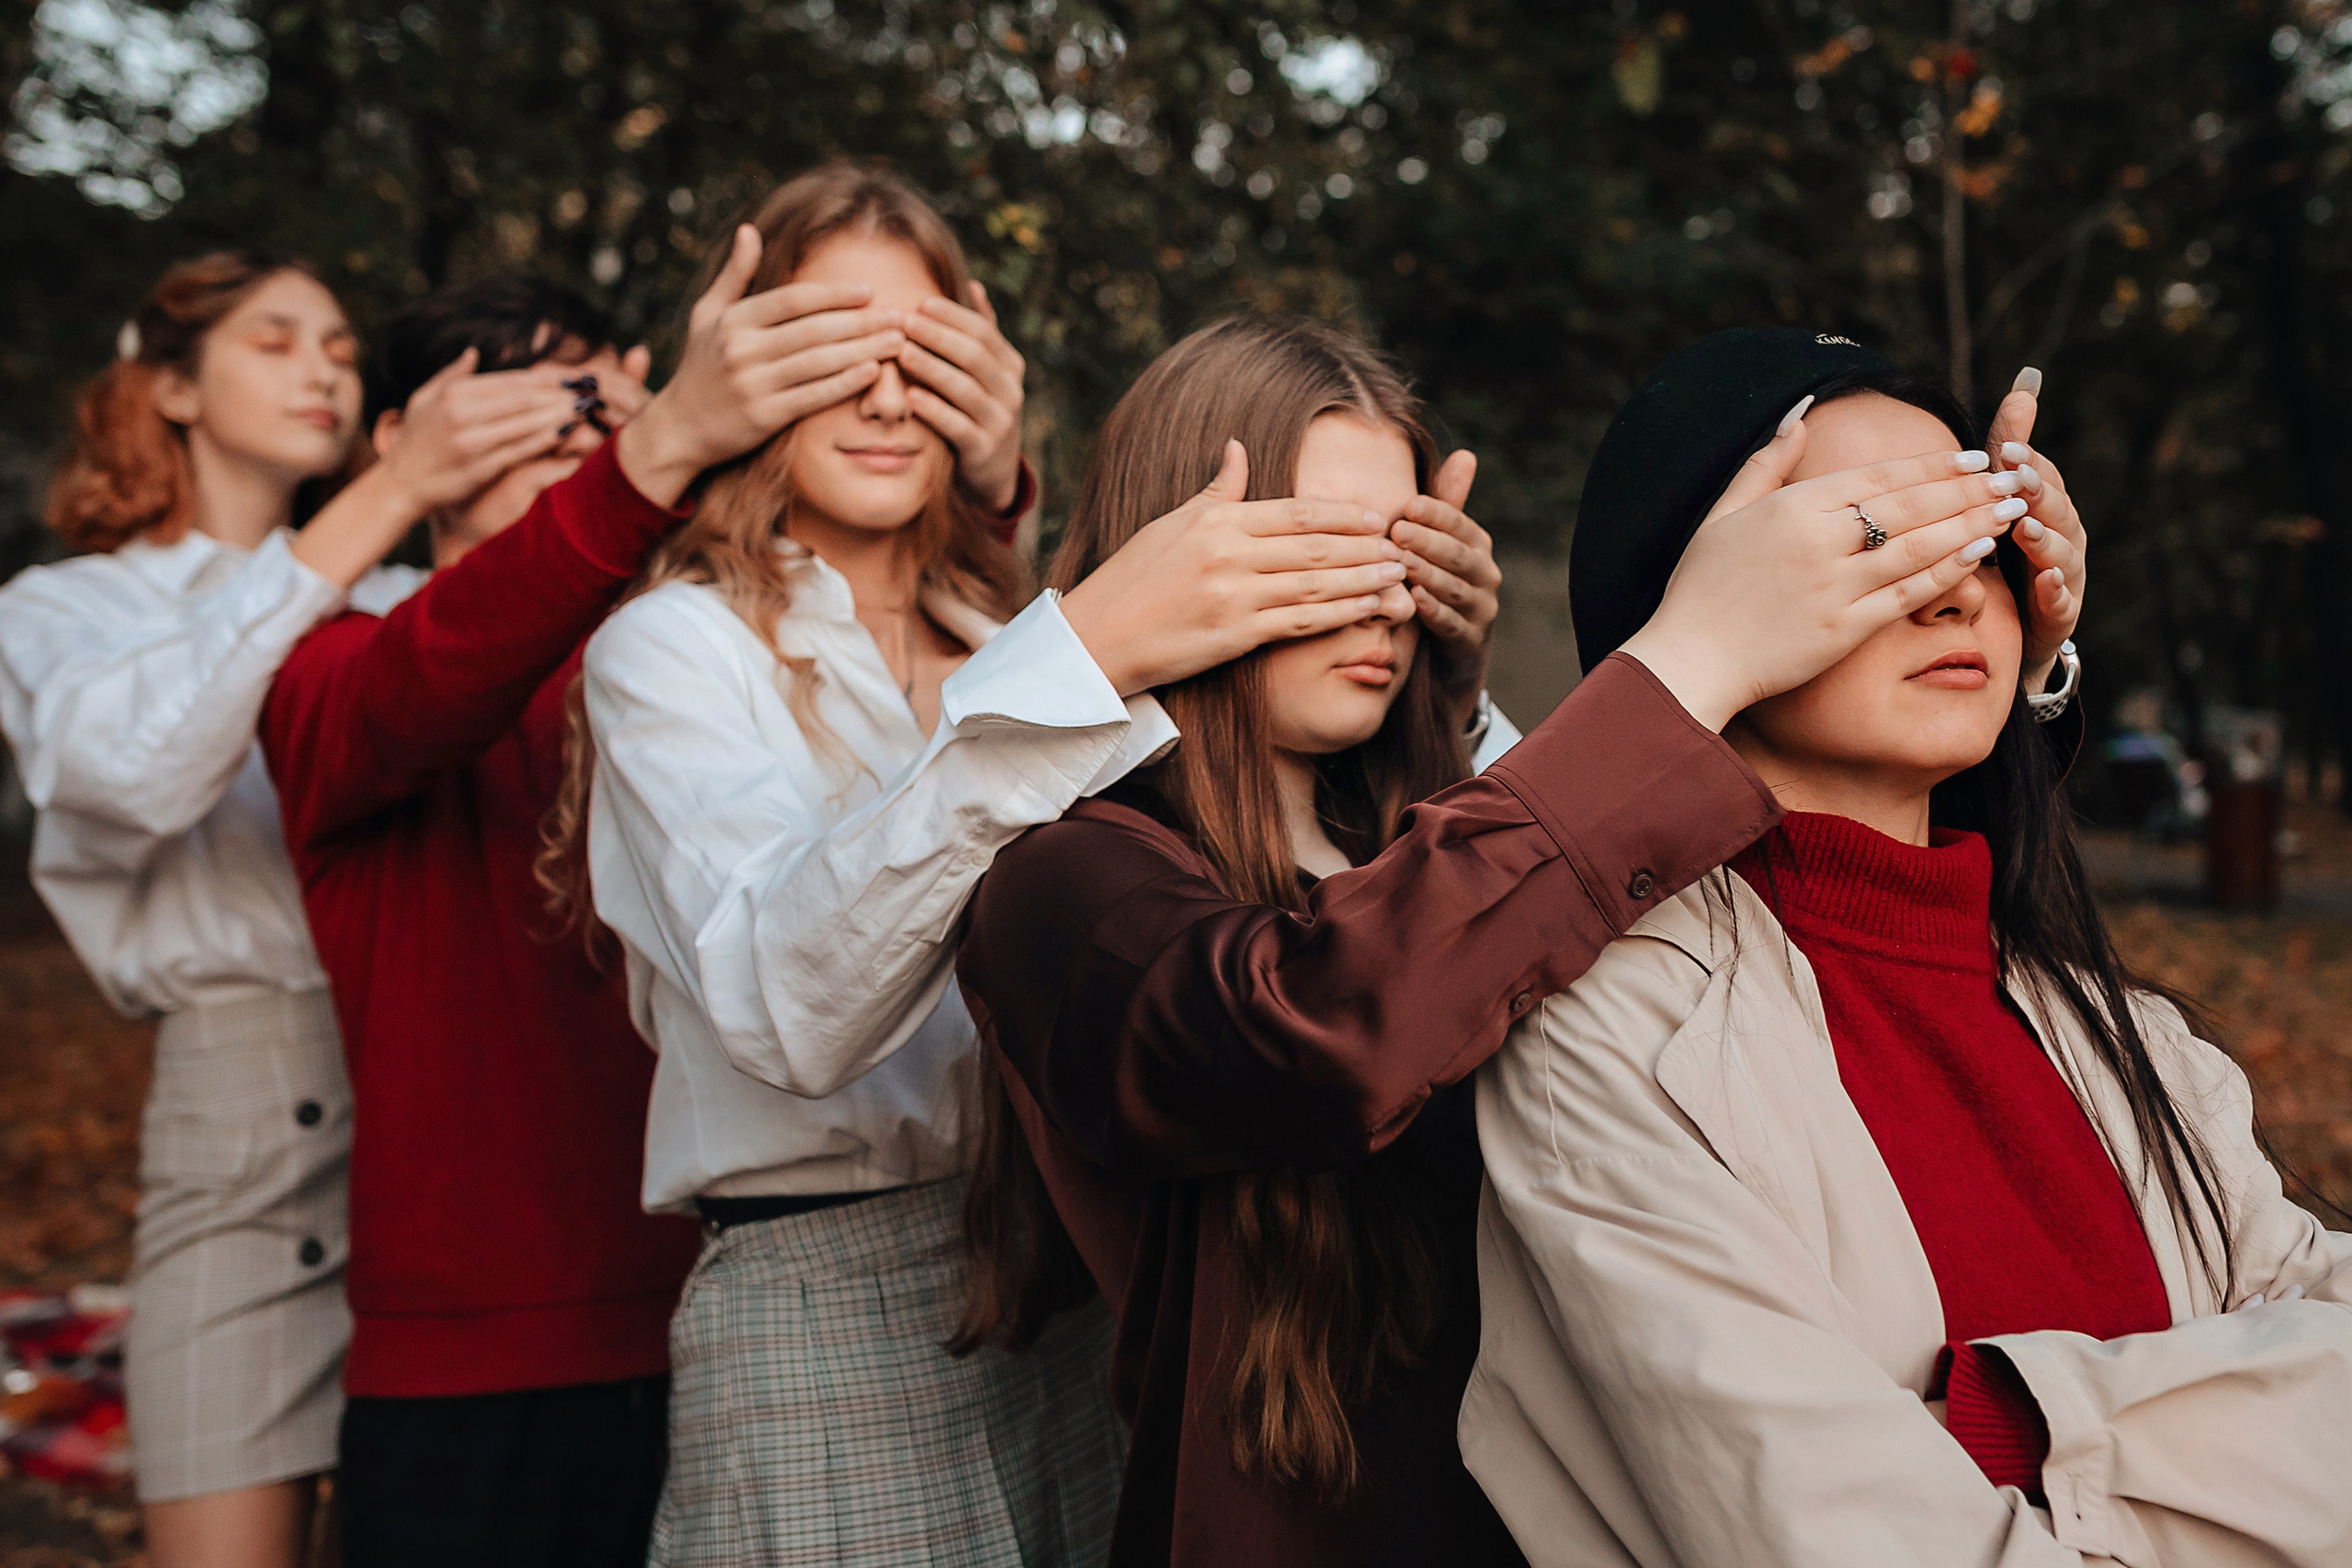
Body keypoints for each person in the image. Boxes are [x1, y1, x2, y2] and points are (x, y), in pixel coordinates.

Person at [948, 315, 2035, 1567]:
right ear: (1169, 553)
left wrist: (2009, 654)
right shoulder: (1061, 886)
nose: (1376, 591)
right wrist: (1697, 650)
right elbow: (1324, 1029)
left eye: (1404, 544)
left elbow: (1844, 896)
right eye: (1314, 548)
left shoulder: (1452, 821)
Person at [561, 163, 1440, 1567]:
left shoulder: (1013, 629)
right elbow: (793, 1013)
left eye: (926, 348)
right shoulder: (672, 650)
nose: (885, 392)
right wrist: (1081, 660)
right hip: (830, 1291)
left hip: (1083, 1280)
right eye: (828, 347)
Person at [1462, 327, 2352, 1568]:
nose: (1952, 590)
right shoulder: (1607, 1036)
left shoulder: (2128, 1035)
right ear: (1699, 609)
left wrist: (2029, 1426)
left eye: (1979, 536)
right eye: (1871, 539)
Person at [254, 265, 874, 1568]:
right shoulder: (323, 667)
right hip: (478, 1373)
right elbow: (437, 678)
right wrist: (651, 454)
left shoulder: (715, 654)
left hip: (740, 1308)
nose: (593, 436)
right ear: (401, 435)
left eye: (615, 408)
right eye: (548, 403)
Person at [0, 252, 589, 1568]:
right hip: (238, 1131)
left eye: (336, 347)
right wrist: (391, 489)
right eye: (274, 341)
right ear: (167, 391)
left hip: (460, 1108)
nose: (321, 367)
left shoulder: (397, 597)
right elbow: (141, 773)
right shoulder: (62, 610)